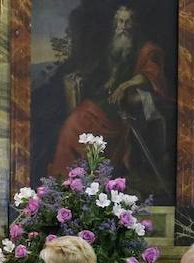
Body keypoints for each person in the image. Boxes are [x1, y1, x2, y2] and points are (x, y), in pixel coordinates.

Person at [48, 4, 172, 181]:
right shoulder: (115, 44)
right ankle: (68, 178)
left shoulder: (146, 48)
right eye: (120, 21)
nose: (123, 26)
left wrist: (124, 86)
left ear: (134, 24)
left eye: (127, 22)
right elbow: (102, 70)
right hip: (105, 97)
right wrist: (81, 73)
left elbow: (150, 73)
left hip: (126, 101)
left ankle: (80, 176)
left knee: (75, 124)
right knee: (73, 123)